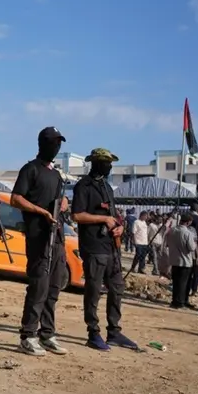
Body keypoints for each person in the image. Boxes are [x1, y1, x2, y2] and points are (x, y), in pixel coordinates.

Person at [71, 148, 138, 351]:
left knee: (117, 288)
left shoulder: (107, 187)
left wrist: (119, 226)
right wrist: (103, 219)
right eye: (106, 163)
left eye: (110, 163)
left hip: (111, 247)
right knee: (93, 290)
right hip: (93, 246)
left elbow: (113, 215)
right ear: (96, 163)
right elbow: (77, 215)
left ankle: (114, 332)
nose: (109, 167)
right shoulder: (84, 186)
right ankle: (93, 332)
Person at [10, 126, 69, 356]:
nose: (57, 147)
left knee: (53, 287)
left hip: (57, 238)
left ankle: (47, 334)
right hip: (38, 237)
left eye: (59, 143)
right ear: (43, 143)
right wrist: (41, 212)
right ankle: (28, 335)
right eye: (53, 143)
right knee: (39, 287)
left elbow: (60, 199)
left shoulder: (56, 175)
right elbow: (16, 199)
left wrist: (63, 204)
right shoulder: (30, 169)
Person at [166, 213, 197, 309]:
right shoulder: (188, 233)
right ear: (188, 222)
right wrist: (195, 244)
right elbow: (191, 248)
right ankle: (180, 302)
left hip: (174, 260)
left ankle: (175, 301)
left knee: (176, 282)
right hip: (185, 261)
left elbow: (168, 243)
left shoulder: (172, 230)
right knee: (183, 283)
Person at [188, 202, 198, 297]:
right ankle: (194, 289)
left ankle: (187, 287)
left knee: (188, 268)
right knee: (196, 269)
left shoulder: (186, 217)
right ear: (197, 209)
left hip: (186, 245)